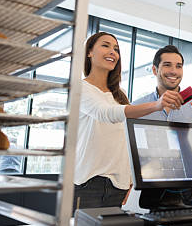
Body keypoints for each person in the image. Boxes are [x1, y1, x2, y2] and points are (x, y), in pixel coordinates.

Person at [75, 32, 183, 211]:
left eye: (116, 49)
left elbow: (126, 139)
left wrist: (129, 179)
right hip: (87, 184)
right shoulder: (81, 88)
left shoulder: (120, 94)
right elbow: (106, 113)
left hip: (117, 185)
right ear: (89, 52)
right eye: (106, 45)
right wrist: (157, 105)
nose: (113, 52)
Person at [132, 45, 192, 208]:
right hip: (150, 187)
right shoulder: (138, 106)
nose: (174, 71)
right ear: (155, 70)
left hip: (187, 188)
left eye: (179, 66)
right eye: (167, 65)